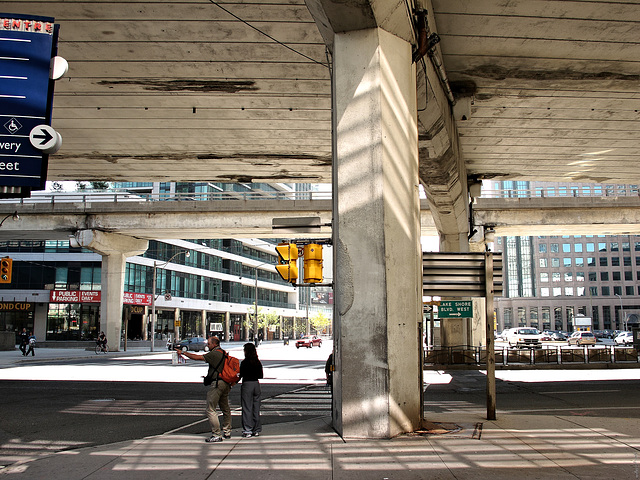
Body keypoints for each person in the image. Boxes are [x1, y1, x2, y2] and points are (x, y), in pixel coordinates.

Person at [177, 336, 231, 443]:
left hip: (217, 383)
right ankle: (227, 431)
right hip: (225, 383)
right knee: (225, 408)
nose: (207, 345)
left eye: (209, 344)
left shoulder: (214, 353)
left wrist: (184, 353)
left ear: (215, 344)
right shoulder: (223, 352)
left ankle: (216, 434)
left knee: (211, 408)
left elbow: (198, 358)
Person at [239, 342, 263, 438]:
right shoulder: (257, 362)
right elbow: (261, 375)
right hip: (256, 384)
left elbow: (240, 375)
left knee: (247, 408)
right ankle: (256, 429)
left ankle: (247, 429)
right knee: (256, 408)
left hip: (247, 384)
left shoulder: (245, 363)